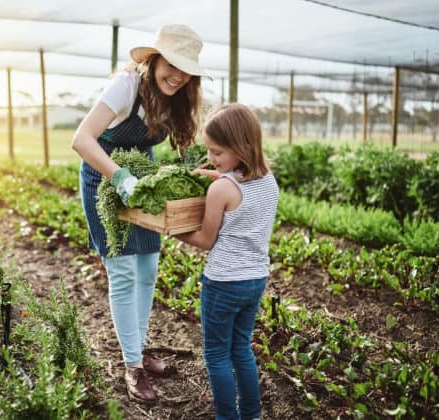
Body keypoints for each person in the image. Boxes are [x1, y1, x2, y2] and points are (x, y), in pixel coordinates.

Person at [71, 24, 209, 404]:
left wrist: (203, 177)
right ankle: (132, 365)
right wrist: (118, 177)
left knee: (148, 267)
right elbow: (81, 139)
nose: (178, 76)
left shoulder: (177, 98)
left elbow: (188, 150)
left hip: (143, 178)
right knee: (122, 271)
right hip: (105, 176)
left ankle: (140, 347)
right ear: (154, 60)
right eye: (172, 65)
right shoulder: (126, 86)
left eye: (187, 71)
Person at [175, 103, 279, 420]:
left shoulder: (221, 189)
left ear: (241, 146)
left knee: (217, 354)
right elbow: (235, 186)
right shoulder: (269, 181)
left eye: (217, 152)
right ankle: (251, 414)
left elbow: (206, 240)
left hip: (223, 283)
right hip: (255, 280)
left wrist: (174, 231)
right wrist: (220, 174)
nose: (212, 159)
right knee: (241, 349)